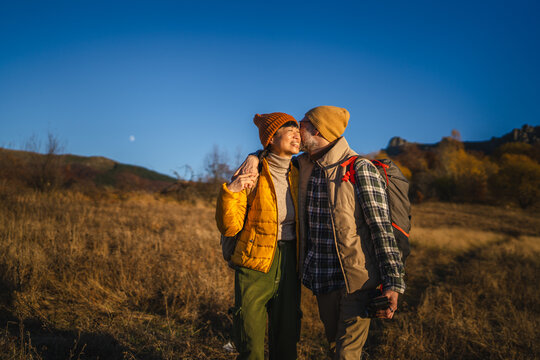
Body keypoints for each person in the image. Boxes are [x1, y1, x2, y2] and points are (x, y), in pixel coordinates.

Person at [239, 106, 405, 359]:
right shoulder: (304, 165)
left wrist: (393, 282)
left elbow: (381, 229)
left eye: (302, 123)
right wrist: (254, 156)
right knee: (333, 347)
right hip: (323, 280)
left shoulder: (360, 168)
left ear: (317, 129)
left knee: (346, 354)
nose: (297, 129)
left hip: (357, 282)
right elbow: (274, 152)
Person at [215, 112, 302, 360]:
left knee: (286, 337)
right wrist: (231, 191)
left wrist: (253, 154)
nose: (298, 136)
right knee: (249, 336)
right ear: (271, 139)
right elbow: (229, 227)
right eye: (290, 131)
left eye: (298, 131)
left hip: (289, 261)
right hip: (254, 260)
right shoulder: (251, 172)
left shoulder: (302, 169)